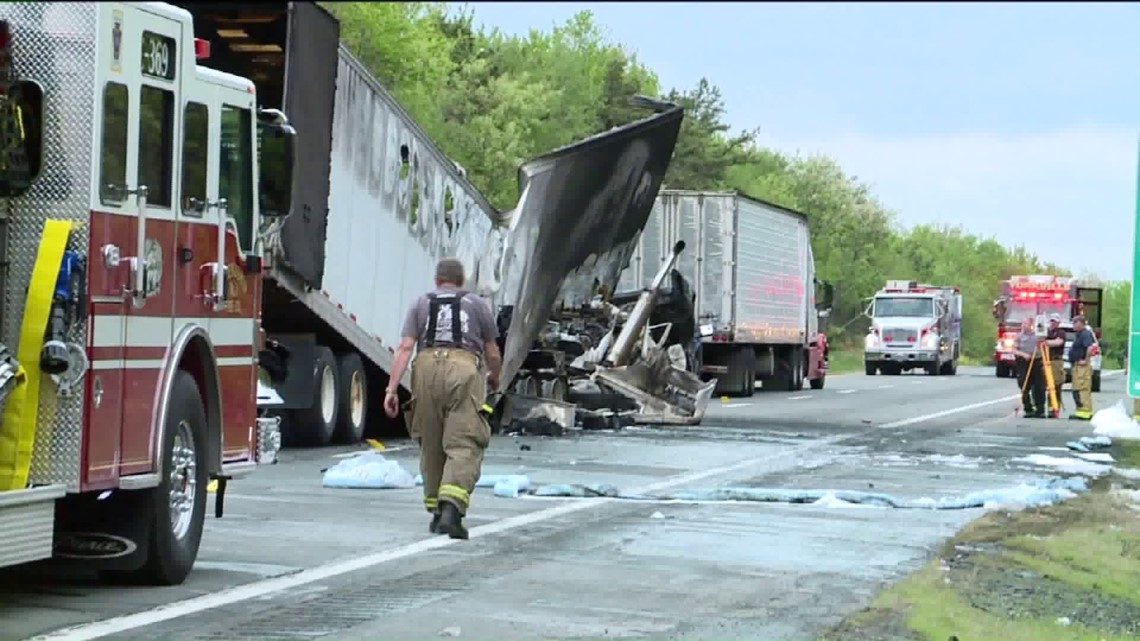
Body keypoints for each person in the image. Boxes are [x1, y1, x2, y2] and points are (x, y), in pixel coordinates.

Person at [383, 257, 503, 540]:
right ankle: (451, 510)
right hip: (463, 368)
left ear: (437, 281)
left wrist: (391, 389)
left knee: (431, 441)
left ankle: (436, 511)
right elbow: (492, 351)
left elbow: (405, 347)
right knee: (464, 440)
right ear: (461, 281)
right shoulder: (477, 304)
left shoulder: (420, 303)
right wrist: (494, 377)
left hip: (425, 367)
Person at [1013, 316, 1046, 418]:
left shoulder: (1037, 335)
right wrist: (1023, 355)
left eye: (1026, 323)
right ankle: (1028, 409)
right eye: (1023, 323)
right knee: (1024, 385)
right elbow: (1014, 350)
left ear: (1031, 325)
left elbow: (1044, 343)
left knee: (1039, 386)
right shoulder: (1019, 336)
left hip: (1036, 361)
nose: (1023, 325)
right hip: (1023, 362)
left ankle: (1040, 409)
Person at [1066, 314, 1095, 421]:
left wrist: (1085, 360)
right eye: (1073, 322)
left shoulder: (1085, 334)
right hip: (1076, 366)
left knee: (1082, 389)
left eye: (1075, 323)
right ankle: (1080, 411)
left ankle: (1085, 412)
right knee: (1077, 390)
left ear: (1081, 323)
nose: (1074, 325)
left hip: (1082, 367)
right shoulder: (1079, 334)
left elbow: (1090, 348)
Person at [1040, 313, 1066, 416]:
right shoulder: (1045, 332)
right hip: (1045, 360)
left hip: (1056, 361)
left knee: (1055, 385)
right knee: (1045, 385)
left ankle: (1055, 407)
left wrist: (1045, 342)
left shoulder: (1061, 332)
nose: (1053, 323)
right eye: (1051, 321)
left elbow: (1058, 342)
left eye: (1055, 321)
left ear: (1058, 322)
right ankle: (1047, 407)